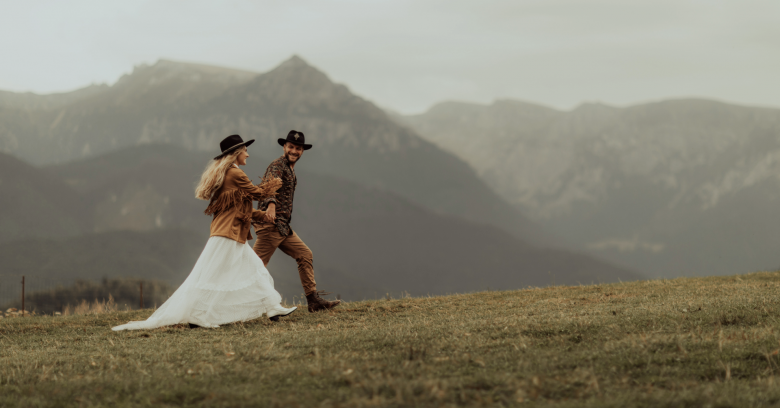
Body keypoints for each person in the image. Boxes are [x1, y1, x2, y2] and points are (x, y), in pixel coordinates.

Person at [112, 135, 296, 331]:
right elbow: (258, 193)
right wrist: (276, 185)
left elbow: (241, 210)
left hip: (229, 233)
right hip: (227, 234)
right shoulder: (236, 174)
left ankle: (272, 307)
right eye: (245, 151)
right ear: (236, 153)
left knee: (255, 269)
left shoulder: (229, 174)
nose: (248, 154)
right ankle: (199, 315)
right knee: (212, 276)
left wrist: (263, 216)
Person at [253, 130, 341, 312]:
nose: (294, 151)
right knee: (253, 266)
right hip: (270, 225)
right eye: (291, 147)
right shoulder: (277, 166)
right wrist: (270, 204)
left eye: (298, 148)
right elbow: (269, 184)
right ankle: (227, 302)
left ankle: (313, 301)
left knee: (305, 254)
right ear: (284, 147)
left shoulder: (290, 169)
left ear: (302, 151)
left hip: (282, 227)